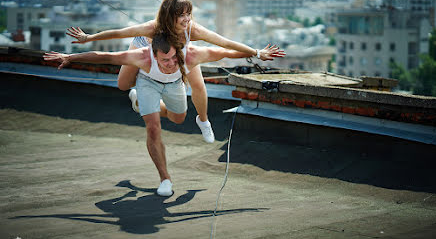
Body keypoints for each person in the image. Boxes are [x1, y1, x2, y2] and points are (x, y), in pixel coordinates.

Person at [44, 33, 284, 197]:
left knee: (178, 118)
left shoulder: (189, 54)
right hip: (147, 81)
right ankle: (165, 179)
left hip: (174, 85)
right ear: (152, 54)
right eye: (164, 59)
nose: (170, 63)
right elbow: (104, 56)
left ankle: (146, 103)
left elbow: (223, 51)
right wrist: (70, 56)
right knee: (153, 127)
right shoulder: (142, 55)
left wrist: (256, 53)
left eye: (173, 58)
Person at [66, 0, 282, 144]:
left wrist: (255, 52)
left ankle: (203, 120)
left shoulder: (192, 29)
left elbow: (223, 43)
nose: (187, 19)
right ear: (169, 16)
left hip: (178, 52)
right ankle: (140, 96)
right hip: (145, 48)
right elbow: (119, 32)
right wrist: (89, 38)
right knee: (123, 85)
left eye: (189, 14)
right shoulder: (152, 27)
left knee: (198, 84)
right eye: (181, 15)